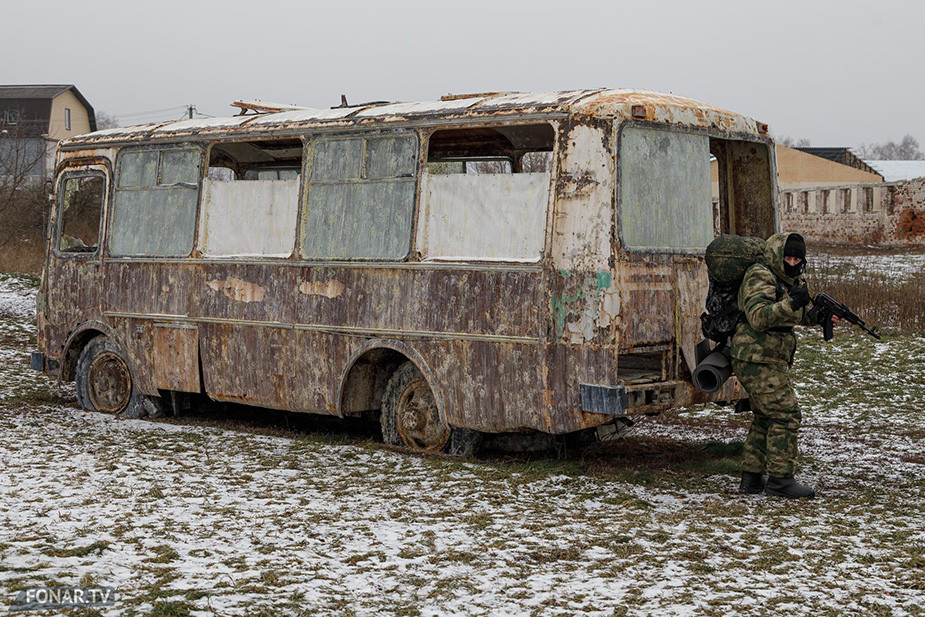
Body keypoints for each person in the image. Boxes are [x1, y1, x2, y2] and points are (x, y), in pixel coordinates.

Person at [730, 232, 821, 499]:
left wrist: (817, 316)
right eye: (787, 258)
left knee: (765, 416)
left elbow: (794, 314)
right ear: (778, 255)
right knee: (786, 413)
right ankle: (781, 481)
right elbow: (759, 317)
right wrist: (793, 302)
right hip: (754, 356)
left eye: (797, 259)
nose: (792, 263)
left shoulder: (790, 279)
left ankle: (751, 478)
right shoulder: (760, 275)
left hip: (769, 357)